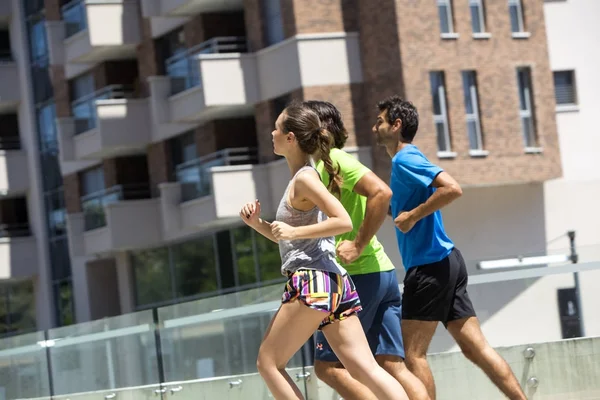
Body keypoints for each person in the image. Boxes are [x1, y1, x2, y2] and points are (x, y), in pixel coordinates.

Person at [239, 102, 408, 400]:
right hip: (333, 283)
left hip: (312, 282)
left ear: (290, 138)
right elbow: (291, 241)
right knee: (365, 368)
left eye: (277, 128)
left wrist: (293, 231)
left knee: (268, 363)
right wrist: (258, 224)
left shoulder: (305, 178)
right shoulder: (304, 177)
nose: (272, 132)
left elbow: (341, 220)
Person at [372, 95, 527, 400]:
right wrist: (386, 207)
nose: (374, 126)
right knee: (475, 348)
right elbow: (402, 211)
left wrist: (413, 216)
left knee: (410, 355)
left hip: (429, 267)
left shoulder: (406, 158)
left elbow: (452, 188)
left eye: (380, 121)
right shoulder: (403, 162)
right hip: (447, 262)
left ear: (397, 125)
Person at [303, 100, 429, 400]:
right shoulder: (329, 163)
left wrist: (357, 245)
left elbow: (381, 193)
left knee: (329, 367)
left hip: (359, 277)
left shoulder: (333, 161)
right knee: (390, 364)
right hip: (380, 273)